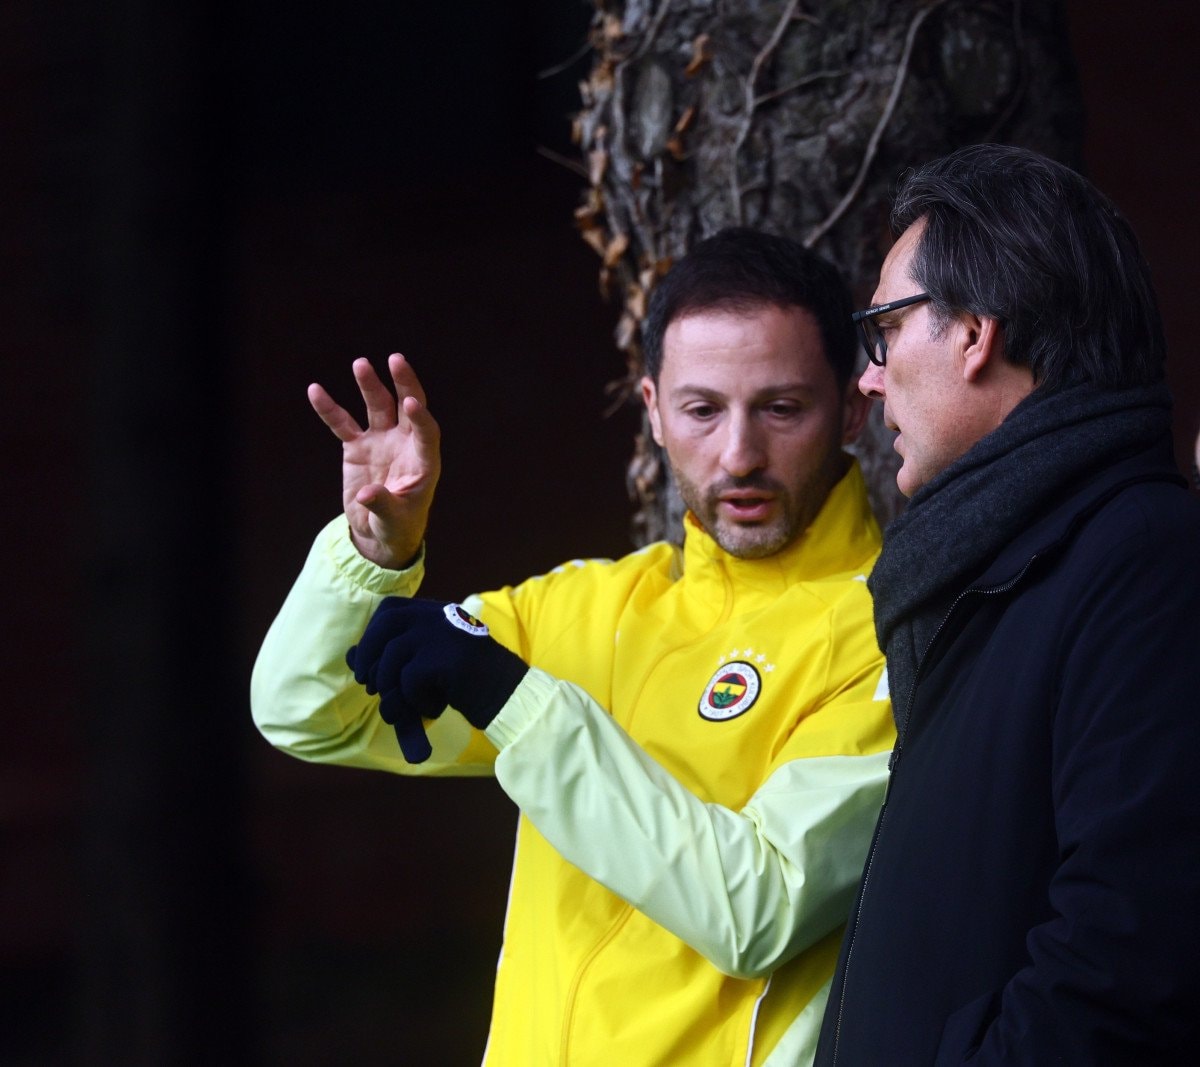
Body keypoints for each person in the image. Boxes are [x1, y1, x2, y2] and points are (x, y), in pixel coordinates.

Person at [251, 228, 896, 1066]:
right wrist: (372, 556)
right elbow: (307, 711)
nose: (739, 454)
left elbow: (758, 910)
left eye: (781, 408)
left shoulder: (888, 632)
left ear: (851, 408)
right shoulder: (588, 608)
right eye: (702, 410)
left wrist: (514, 702)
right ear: (653, 410)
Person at [814, 145, 1200, 1065]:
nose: (869, 377)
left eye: (886, 329)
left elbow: (1128, 958)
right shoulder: (994, 572)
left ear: (976, 333)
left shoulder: (1145, 558)